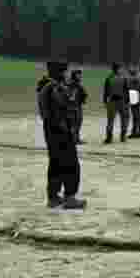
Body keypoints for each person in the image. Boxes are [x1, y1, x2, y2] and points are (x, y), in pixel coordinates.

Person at [38, 61, 86, 209]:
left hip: (51, 130)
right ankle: (70, 197)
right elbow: (66, 105)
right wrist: (73, 91)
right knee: (71, 164)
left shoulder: (45, 86)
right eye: (66, 72)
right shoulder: (54, 88)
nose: (68, 74)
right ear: (60, 73)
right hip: (60, 130)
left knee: (56, 164)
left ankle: (53, 197)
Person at [103, 62, 130, 143]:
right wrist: (128, 100)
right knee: (124, 119)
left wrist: (105, 101)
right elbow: (127, 89)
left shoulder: (109, 78)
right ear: (118, 69)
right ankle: (123, 136)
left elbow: (106, 91)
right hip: (122, 101)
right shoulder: (124, 77)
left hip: (112, 101)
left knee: (110, 120)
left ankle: (109, 137)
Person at [70, 68, 88, 144]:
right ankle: (75, 139)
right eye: (79, 75)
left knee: (74, 124)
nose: (80, 76)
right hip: (76, 107)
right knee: (76, 123)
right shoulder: (78, 85)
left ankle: (75, 138)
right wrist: (83, 100)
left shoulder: (68, 84)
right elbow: (85, 94)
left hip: (71, 107)